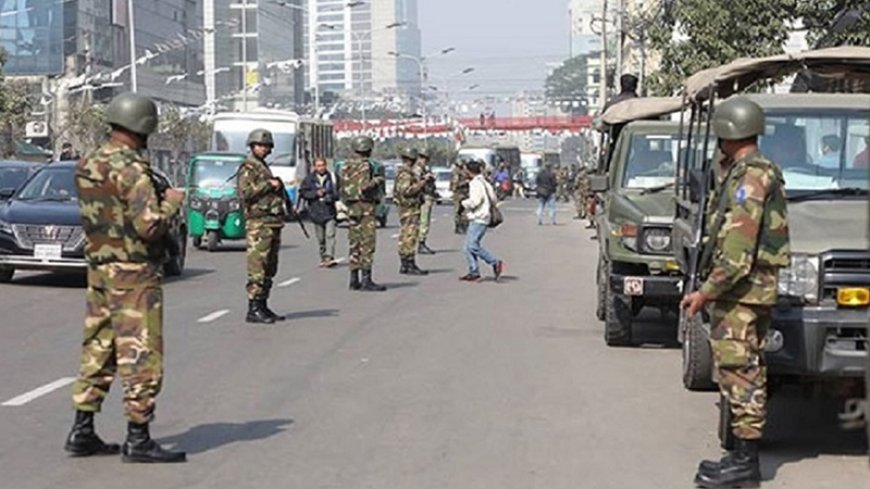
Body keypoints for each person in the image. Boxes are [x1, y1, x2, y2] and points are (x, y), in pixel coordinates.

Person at [67, 92, 186, 463]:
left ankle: (82, 428)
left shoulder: (90, 162)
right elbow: (149, 226)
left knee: (98, 348)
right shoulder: (131, 168)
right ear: (144, 125)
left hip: (100, 269)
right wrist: (172, 201)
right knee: (140, 353)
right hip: (134, 273)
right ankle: (139, 437)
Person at [680, 97, 790, 489]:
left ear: (727, 132)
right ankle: (742, 459)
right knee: (747, 371)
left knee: (740, 374)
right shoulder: (749, 170)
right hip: (750, 292)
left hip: (741, 293)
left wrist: (705, 292)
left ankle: (746, 465)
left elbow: (737, 251)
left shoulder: (750, 179)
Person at [238, 129, 287, 324]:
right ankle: (254, 307)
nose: (265, 149)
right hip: (258, 223)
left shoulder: (262, 166)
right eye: (261, 145)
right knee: (258, 267)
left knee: (269, 267)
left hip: (271, 221)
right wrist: (269, 184)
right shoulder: (249, 167)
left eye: (267, 146)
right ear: (252, 146)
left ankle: (263, 305)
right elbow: (246, 192)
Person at [339, 136, 386, 291]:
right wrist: (377, 180)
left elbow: (342, 188)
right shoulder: (367, 166)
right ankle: (366, 279)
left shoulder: (345, 166)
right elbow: (365, 187)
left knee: (354, 243)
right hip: (365, 207)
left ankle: (353, 279)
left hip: (352, 208)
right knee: (367, 243)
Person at [460, 159, 504, 282]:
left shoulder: (475, 183)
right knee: (468, 247)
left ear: (469, 171)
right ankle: (473, 271)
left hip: (479, 217)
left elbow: (475, 201)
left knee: (472, 245)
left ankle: (495, 262)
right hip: (484, 216)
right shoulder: (485, 182)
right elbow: (494, 199)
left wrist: (463, 203)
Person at [394, 146, 431, 275]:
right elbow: (406, 191)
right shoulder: (405, 173)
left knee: (406, 235)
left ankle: (406, 263)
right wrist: (421, 183)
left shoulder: (405, 172)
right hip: (409, 208)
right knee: (409, 236)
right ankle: (409, 263)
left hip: (409, 208)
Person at [300, 157, 339, 268]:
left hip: (329, 211)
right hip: (316, 212)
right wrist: (315, 194)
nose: (321, 168)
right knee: (321, 238)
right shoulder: (309, 179)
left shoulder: (333, 178)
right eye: (318, 165)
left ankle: (329, 257)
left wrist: (330, 197)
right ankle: (323, 256)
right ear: (314, 167)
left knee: (330, 235)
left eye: (322, 165)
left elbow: (340, 192)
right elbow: (303, 193)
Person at [416, 148, 437, 255]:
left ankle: (422, 242)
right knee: (423, 221)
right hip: (423, 197)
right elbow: (416, 182)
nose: (425, 160)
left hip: (427, 196)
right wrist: (425, 178)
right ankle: (421, 243)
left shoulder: (424, 168)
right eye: (423, 158)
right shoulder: (418, 169)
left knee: (424, 221)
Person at [451, 159, 471, 234]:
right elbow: (455, 186)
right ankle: (458, 226)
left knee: (465, 212)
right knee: (458, 211)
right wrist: (464, 182)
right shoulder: (456, 174)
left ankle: (464, 226)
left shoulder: (465, 173)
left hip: (465, 194)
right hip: (458, 194)